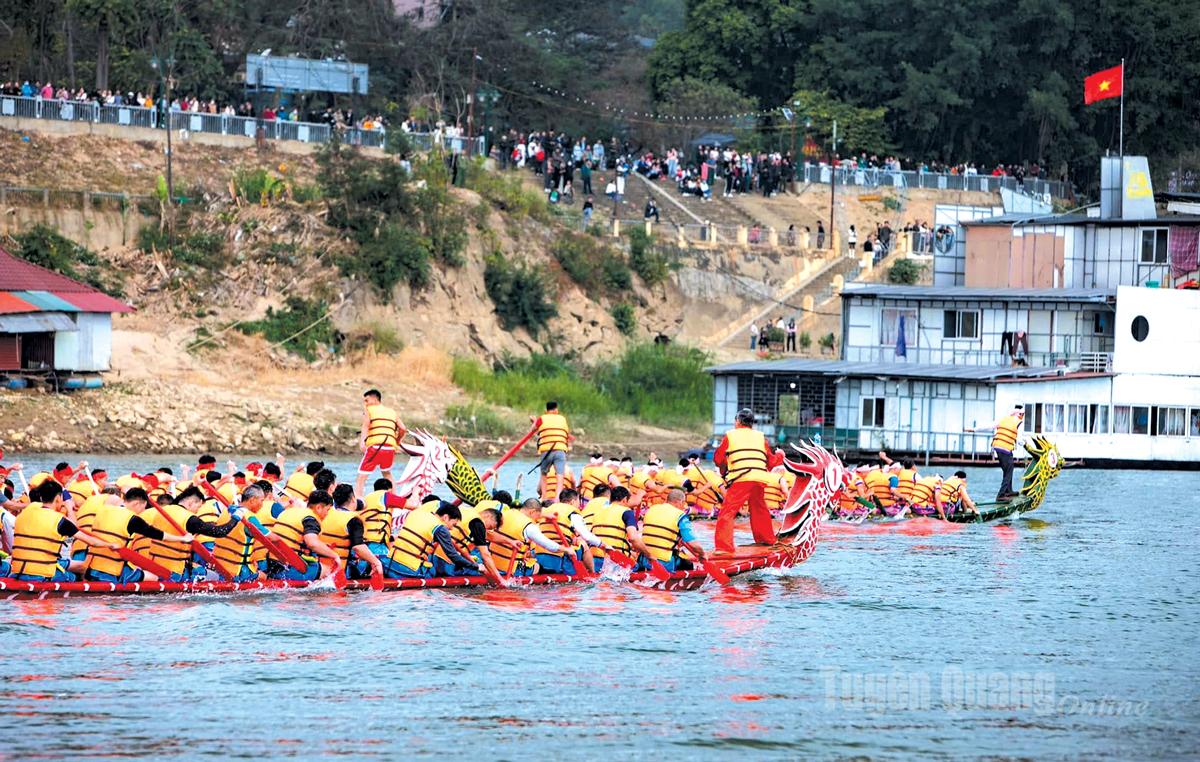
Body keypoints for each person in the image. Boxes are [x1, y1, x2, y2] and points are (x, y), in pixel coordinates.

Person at [2, 481, 115, 582]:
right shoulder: (59, 521)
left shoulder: (24, 513)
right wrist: (111, 545)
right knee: (80, 572)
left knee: (76, 565)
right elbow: (91, 542)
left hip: (18, 571)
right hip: (42, 573)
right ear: (57, 498)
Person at [84, 488, 194, 583]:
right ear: (136, 503)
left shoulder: (103, 509)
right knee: (154, 577)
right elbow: (158, 534)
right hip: (111, 572)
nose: (142, 512)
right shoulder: (132, 519)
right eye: (143, 507)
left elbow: (112, 498)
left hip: (89, 567)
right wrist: (182, 538)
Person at [712, 408, 779, 554]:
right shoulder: (761, 437)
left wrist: (724, 471)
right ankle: (766, 539)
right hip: (759, 478)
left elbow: (718, 459)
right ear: (751, 423)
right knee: (759, 508)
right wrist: (780, 455)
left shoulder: (730, 435)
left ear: (737, 421)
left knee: (727, 512)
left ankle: (724, 548)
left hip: (741, 479)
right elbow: (772, 461)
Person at [383, 504, 483, 579]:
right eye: (453, 524)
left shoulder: (417, 513)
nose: (452, 529)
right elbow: (453, 556)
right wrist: (476, 566)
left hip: (389, 563)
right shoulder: (440, 528)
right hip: (409, 570)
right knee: (432, 571)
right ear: (445, 517)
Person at [267, 490, 344, 581]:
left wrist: (323, 547)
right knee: (328, 571)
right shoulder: (310, 518)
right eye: (327, 510)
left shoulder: (290, 511)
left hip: (272, 565)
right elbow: (312, 543)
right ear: (318, 507)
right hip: (289, 568)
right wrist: (335, 556)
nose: (327, 514)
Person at [488, 499, 571, 577]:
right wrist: (566, 549)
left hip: (491, 564)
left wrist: (542, 515)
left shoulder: (506, 513)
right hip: (510, 570)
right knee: (538, 567)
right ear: (532, 512)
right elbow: (549, 545)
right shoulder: (529, 527)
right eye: (537, 516)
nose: (536, 519)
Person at [322, 485, 384, 581]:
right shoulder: (353, 520)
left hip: (321, 568)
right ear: (353, 499)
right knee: (379, 560)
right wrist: (376, 562)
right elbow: (358, 547)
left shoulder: (325, 514)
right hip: (342, 571)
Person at [638, 489, 708, 573]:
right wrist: (703, 555)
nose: (684, 507)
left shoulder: (651, 509)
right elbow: (693, 543)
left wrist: (697, 554)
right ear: (681, 502)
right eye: (684, 504)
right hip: (663, 562)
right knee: (688, 564)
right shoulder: (680, 515)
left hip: (643, 559)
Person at [587, 486, 654, 572]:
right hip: (615, 562)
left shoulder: (598, 512)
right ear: (625, 499)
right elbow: (633, 538)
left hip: (594, 560)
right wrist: (649, 554)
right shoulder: (626, 512)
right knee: (642, 567)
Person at [537, 489, 603, 574]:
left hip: (539, 555)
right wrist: (602, 544)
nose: (579, 506)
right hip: (559, 557)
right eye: (578, 502)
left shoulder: (548, 509)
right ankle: (592, 573)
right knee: (584, 544)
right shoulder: (572, 513)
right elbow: (586, 536)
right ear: (572, 502)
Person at [966, 405, 1025, 500]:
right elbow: (1020, 440)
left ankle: (1009, 491)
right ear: (1021, 414)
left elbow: (989, 426)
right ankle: (1001, 495)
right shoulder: (1019, 423)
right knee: (1009, 470)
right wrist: (1025, 444)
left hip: (997, 447)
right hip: (1006, 448)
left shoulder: (1004, 419)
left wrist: (974, 429)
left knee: (1007, 469)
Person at [356, 389, 405, 497]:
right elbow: (403, 428)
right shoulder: (392, 412)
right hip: (390, 448)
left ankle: (358, 501)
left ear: (374, 399)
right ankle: (395, 499)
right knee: (387, 473)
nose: (365, 403)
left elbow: (365, 426)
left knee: (361, 477)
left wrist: (362, 443)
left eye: (366, 400)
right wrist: (397, 441)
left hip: (376, 446)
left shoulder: (370, 409)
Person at [531, 401, 574, 502]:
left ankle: (544, 497)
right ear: (556, 410)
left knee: (544, 473)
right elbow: (566, 432)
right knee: (560, 475)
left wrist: (534, 422)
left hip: (546, 451)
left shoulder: (541, 418)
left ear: (546, 410)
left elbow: (533, 430)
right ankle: (557, 498)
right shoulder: (562, 419)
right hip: (560, 450)